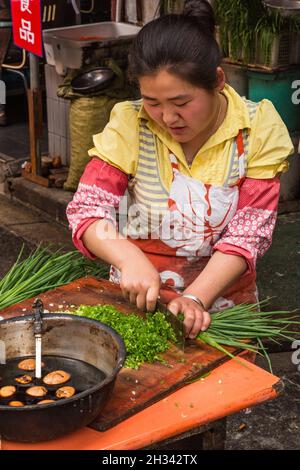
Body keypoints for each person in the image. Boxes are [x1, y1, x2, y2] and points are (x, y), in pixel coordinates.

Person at [67, 0, 294, 339]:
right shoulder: (131, 124)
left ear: (218, 80)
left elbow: (247, 234)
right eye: (153, 102)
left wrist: (195, 298)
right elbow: (87, 211)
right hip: (138, 306)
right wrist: (127, 257)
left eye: (182, 102)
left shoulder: (257, 127)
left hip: (221, 310)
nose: (168, 118)